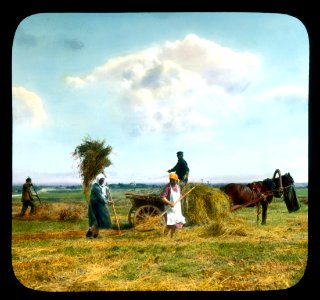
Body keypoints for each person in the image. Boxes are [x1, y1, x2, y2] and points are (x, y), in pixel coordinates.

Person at [86, 173, 113, 238]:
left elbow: (104, 193)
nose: (102, 182)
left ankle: (95, 235)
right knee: (95, 221)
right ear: (98, 180)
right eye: (101, 180)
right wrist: (108, 202)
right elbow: (101, 199)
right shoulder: (95, 188)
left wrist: (107, 188)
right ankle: (89, 233)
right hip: (94, 205)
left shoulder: (99, 186)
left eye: (103, 180)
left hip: (98, 205)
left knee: (99, 220)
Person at [160, 172, 186, 238]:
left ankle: (171, 237)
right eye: (170, 179)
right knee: (169, 224)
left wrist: (182, 196)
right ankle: (164, 237)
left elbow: (180, 195)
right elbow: (162, 198)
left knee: (176, 223)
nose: (171, 181)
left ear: (176, 180)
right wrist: (170, 203)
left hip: (177, 208)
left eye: (173, 180)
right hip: (169, 209)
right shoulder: (167, 187)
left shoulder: (178, 186)